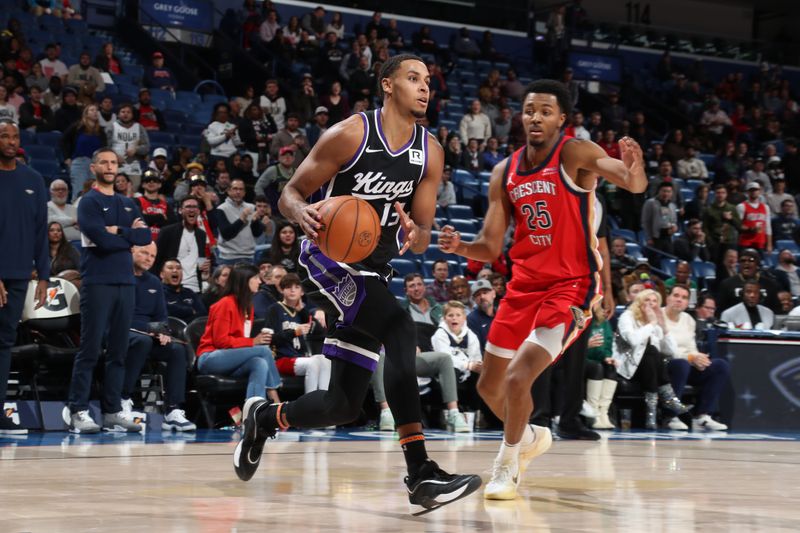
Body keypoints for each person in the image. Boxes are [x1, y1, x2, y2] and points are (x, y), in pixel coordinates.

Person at [236, 54, 481, 511]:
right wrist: (301, 212)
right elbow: (289, 192)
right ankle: (421, 473)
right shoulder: (350, 133)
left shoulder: (430, 151)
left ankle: (265, 418)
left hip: (377, 270)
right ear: (387, 85)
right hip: (327, 259)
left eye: (428, 81)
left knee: (343, 405)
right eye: (413, 79)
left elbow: (423, 233)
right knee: (400, 328)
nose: (424, 88)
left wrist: (417, 233)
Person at [438, 79, 649, 500]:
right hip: (523, 286)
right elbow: (491, 245)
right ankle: (532, 435)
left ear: (561, 119)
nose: (536, 116)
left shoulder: (575, 153)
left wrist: (634, 165)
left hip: (570, 287)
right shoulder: (506, 171)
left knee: (519, 377)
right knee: (487, 388)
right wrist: (461, 245)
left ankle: (507, 465)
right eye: (529, 109)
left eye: (545, 111)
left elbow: (632, 183)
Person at [67, 147, 152, 433]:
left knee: (118, 351)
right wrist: (125, 237)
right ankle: (78, 409)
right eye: (103, 162)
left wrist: (119, 232)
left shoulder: (128, 203)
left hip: (125, 283)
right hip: (97, 282)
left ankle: (112, 410)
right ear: (93, 168)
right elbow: (101, 241)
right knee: (90, 350)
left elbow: (145, 237)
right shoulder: (87, 202)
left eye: (113, 162)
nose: (109, 166)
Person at [0, 120, 50, 434]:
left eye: (14, 135)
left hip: (19, 276)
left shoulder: (33, 179)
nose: (10, 140)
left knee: (4, 343)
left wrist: (44, 276)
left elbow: (40, 232)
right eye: (3, 135)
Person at [124, 243, 196, 431]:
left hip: (149, 334)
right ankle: (123, 400)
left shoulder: (154, 282)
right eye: (144, 253)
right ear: (132, 251)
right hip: (123, 332)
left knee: (177, 349)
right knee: (143, 341)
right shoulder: (120, 277)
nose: (148, 258)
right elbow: (119, 316)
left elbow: (161, 317)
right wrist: (150, 329)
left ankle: (173, 411)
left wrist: (162, 331)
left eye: (152, 255)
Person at [196, 263, 281, 403]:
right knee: (264, 351)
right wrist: (253, 342)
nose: (259, 282)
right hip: (211, 358)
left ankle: (254, 411)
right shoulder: (225, 304)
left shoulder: (248, 306)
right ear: (244, 280)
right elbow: (221, 342)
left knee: (259, 363)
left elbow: (240, 342)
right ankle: (276, 401)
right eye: (255, 278)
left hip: (231, 359)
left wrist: (250, 343)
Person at [612, 289, 690, 430]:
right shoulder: (627, 316)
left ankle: (653, 413)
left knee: (653, 355)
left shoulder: (655, 324)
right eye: (647, 300)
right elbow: (633, 340)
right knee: (652, 352)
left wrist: (663, 326)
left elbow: (672, 352)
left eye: (655, 301)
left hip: (649, 369)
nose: (651, 304)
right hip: (628, 367)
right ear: (640, 302)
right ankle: (668, 400)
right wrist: (652, 324)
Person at [662, 284, 730, 431]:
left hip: (686, 364)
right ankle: (670, 416)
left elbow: (691, 347)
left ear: (688, 303)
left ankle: (702, 416)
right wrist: (690, 357)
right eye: (676, 295)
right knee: (681, 364)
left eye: (684, 297)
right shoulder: (659, 317)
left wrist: (699, 358)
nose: (679, 300)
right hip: (664, 365)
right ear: (668, 298)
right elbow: (662, 350)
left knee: (719, 366)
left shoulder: (688, 320)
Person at [266, 273, 330, 395]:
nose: (292, 290)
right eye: (288, 287)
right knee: (314, 362)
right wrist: (294, 332)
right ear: (282, 290)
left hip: (301, 358)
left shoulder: (302, 313)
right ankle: (310, 406)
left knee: (325, 360)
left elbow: (321, 333)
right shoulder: (274, 309)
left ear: (302, 292)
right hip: (282, 359)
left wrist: (303, 311)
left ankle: (323, 404)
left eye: (296, 287)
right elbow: (270, 339)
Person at [154, 196, 208, 293]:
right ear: (180, 210)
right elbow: (156, 261)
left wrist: (204, 269)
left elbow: (201, 261)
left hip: (195, 288)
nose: (192, 210)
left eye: (195, 207)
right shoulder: (167, 231)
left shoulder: (201, 234)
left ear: (199, 211)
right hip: (171, 288)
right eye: (188, 207)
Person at [216, 178, 268, 264]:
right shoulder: (221, 209)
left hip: (249, 256)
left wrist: (256, 223)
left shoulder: (251, 207)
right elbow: (226, 234)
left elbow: (256, 233)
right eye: (235, 189)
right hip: (228, 257)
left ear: (244, 193)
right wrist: (241, 219)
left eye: (241, 189)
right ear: (229, 191)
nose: (238, 192)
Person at [62, 104, 107, 200]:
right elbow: (64, 140)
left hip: (96, 165)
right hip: (79, 162)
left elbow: (104, 148)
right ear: (86, 114)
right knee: (79, 192)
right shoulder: (77, 127)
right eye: (92, 110)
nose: (95, 112)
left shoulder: (101, 131)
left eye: (96, 110)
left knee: (96, 194)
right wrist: (67, 157)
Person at [583, 303, 616, 429]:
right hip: (580, 359)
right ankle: (593, 414)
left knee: (610, 368)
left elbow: (608, 343)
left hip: (597, 359)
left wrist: (607, 356)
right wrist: (586, 345)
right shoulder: (583, 317)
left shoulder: (603, 321)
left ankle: (603, 413)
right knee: (597, 368)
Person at [161, 258, 206, 322]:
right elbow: (165, 310)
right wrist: (190, 311)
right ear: (162, 274)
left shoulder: (190, 293)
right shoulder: (158, 293)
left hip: (192, 330)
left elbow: (202, 314)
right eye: (170, 268)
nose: (175, 270)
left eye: (178, 268)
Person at [737, 182, 772, 254]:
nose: (753, 192)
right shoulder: (741, 206)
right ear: (747, 192)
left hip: (760, 241)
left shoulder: (765, 207)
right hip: (745, 241)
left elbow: (768, 227)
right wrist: (750, 229)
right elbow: (738, 225)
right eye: (751, 190)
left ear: (760, 191)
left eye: (755, 190)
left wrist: (769, 244)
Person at [467, 278, 495, 353]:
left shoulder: (501, 315)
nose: (482, 297)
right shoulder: (471, 319)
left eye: (485, 292)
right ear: (473, 299)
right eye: (478, 295)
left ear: (493, 294)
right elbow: (477, 350)